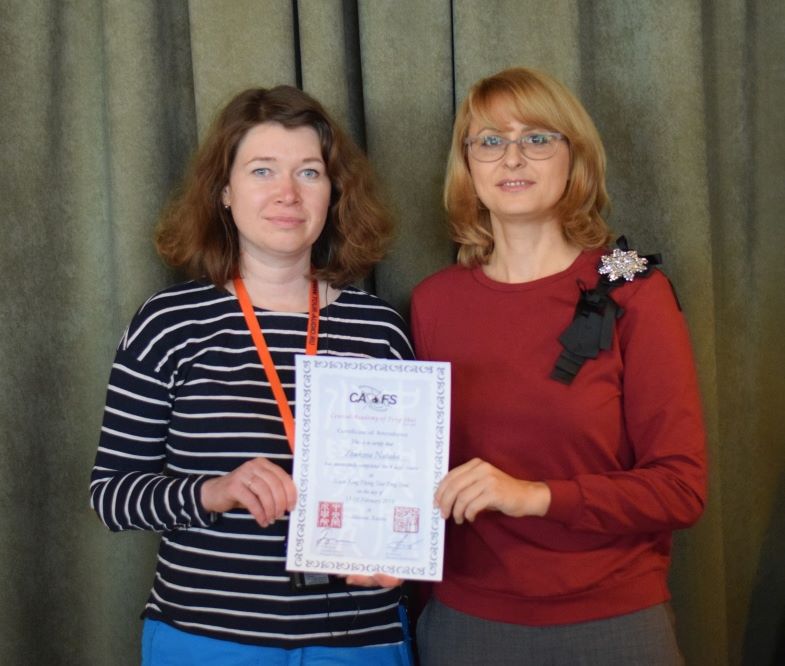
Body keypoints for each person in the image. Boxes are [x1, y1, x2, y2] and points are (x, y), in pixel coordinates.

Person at [90, 86, 414, 665]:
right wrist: (213, 492)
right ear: (224, 191)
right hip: (206, 638)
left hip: (358, 639)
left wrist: (402, 549)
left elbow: (409, 492)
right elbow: (112, 495)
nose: (288, 193)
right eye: (262, 170)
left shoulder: (380, 329)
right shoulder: (169, 323)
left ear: (334, 192)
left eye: (309, 172)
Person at [411, 67, 707, 665]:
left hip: (614, 622)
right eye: (490, 140)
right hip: (467, 623)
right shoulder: (433, 302)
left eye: (538, 138)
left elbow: (680, 488)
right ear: (467, 166)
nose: (512, 157)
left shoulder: (634, 289)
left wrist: (535, 496)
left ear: (575, 159)